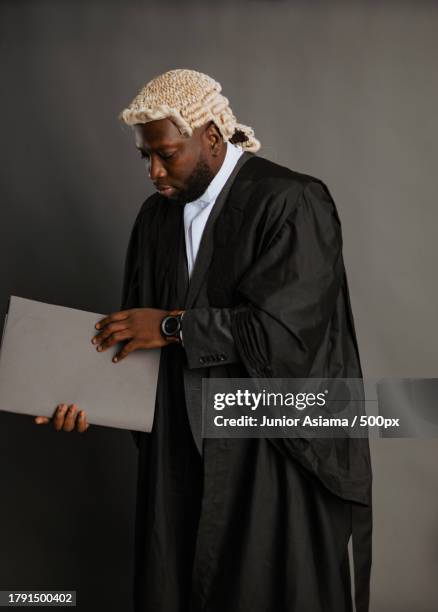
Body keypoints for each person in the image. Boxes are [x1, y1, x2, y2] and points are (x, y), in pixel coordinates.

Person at [35, 69, 372, 612]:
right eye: (145, 156)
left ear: (211, 136)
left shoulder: (292, 201)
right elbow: (131, 336)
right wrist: (80, 397)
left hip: (269, 449)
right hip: (177, 451)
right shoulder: (156, 218)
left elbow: (284, 335)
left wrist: (174, 326)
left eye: (166, 154)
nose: (153, 171)